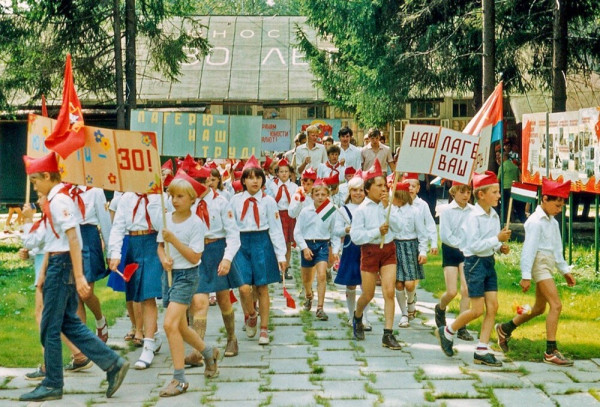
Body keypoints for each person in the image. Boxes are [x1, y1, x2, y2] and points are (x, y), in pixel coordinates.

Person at [19, 152, 128, 402]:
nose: (34, 187)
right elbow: (42, 239)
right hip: (57, 264)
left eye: (35, 181)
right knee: (69, 323)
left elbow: (73, 239)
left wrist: (79, 276)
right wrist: (27, 224)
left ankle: (52, 383)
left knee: (49, 327)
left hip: (62, 266)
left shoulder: (59, 201)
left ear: (48, 176)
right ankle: (113, 363)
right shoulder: (54, 200)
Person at [495, 178, 576, 366]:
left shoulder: (553, 223)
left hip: (548, 263)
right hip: (539, 264)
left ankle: (505, 328)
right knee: (556, 305)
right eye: (557, 205)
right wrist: (526, 276)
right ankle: (550, 351)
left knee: (539, 308)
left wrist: (564, 271)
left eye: (562, 205)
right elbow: (528, 250)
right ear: (545, 199)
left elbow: (557, 250)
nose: (559, 209)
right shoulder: (535, 222)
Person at [435, 171, 511, 367]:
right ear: (481, 195)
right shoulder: (472, 217)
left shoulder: (494, 215)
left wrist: (500, 247)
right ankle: (448, 331)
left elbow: (491, 243)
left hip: (488, 263)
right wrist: (496, 239)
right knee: (477, 310)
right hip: (474, 264)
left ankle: (482, 349)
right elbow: (474, 246)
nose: (499, 195)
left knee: (493, 307)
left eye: (498, 191)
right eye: (494, 192)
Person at [157, 174, 219, 397]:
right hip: (169, 275)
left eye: (180, 196)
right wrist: (163, 258)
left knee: (169, 324)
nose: (175, 200)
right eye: (172, 196)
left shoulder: (196, 224)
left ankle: (179, 379)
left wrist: (173, 240)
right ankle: (209, 352)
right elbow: (160, 246)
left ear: (192, 198)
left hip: (187, 276)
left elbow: (194, 257)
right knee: (181, 327)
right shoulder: (166, 219)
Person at [184, 165, 242, 365]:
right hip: (196, 252)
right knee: (199, 301)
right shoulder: (188, 203)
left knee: (223, 298)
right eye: (195, 182)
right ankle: (197, 350)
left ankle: (231, 338)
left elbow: (233, 234)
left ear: (210, 180)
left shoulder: (221, 202)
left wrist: (227, 258)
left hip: (217, 250)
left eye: (203, 181)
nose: (199, 186)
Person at [230, 156, 287, 345]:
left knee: (262, 287)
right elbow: (230, 227)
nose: (255, 181)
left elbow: (276, 228)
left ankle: (263, 328)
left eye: (258, 177)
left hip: (262, 242)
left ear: (263, 180)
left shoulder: (268, 201)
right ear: (243, 181)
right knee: (244, 287)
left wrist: (281, 255)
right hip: (241, 244)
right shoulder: (235, 201)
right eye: (250, 177)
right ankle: (251, 314)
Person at [108, 188, 163, 369]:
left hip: (154, 243)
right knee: (138, 294)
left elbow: (161, 224)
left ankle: (148, 345)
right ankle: (154, 335)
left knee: (148, 295)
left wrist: (153, 200)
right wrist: (114, 254)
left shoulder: (158, 197)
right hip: (134, 244)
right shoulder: (126, 198)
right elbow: (118, 227)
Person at [349, 159, 402, 350]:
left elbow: (399, 227)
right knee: (368, 294)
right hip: (370, 250)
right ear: (367, 189)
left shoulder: (389, 205)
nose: (383, 189)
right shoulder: (361, 210)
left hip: (388, 250)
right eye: (378, 185)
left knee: (389, 291)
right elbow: (356, 237)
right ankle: (357, 315)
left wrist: (388, 207)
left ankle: (388, 333)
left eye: (384, 185)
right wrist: (376, 232)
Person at [62, 184, 112, 348]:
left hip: (88, 238)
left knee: (86, 291)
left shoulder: (94, 191)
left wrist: (110, 251)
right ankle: (82, 345)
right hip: (69, 239)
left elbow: (105, 221)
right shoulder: (63, 190)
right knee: (75, 294)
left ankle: (100, 319)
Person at [294, 179, 340, 321]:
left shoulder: (330, 211)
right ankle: (309, 295)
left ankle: (320, 308)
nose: (320, 197)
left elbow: (335, 232)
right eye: (317, 194)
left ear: (328, 195)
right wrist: (304, 248)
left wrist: (335, 250)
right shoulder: (305, 211)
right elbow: (297, 232)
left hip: (322, 245)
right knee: (307, 279)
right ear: (312, 195)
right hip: (307, 244)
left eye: (323, 194)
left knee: (321, 275)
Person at [435, 181, 474, 341]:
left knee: (466, 290)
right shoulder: (446, 211)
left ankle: (462, 327)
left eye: (468, 192)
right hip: (451, 250)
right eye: (462, 192)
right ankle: (440, 308)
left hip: (467, 251)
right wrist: (461, 245)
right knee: (452, 291)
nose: (466, 196)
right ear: (453, 192)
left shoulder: (473, 211)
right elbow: (445, 235)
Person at [389, 183, 428, 328]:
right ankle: (404, 313)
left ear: (400, 197)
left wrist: (423, 251)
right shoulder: (390, 211)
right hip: (395, 247)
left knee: (410, 284)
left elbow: (422, 233)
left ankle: (411, 301)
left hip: (410, 247)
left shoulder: (414, 211)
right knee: (398, 283)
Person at [401, 173, 438, 319]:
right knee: (400, 281)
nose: (410, 188)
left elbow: (430, 224)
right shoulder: (399, 203)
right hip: (400, 244)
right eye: (407, 185)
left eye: (413, 186)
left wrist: (433, 243)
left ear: (418, 188)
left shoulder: (422, 205)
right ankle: (406, 308)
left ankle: (411, 298)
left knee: (412, 279)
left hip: (416, 244)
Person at [334, 176, 365, 325]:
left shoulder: (368, 207)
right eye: (354, 190)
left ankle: (364, 317)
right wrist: (346, 229)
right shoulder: (343, 210)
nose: (358, 193)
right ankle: (351, 314)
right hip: (351, 248)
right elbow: (336, 230)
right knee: (351, 284)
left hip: (366, 248)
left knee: (366, 284)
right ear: (349, 191)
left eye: (361, 190)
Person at [266, 158, 298, 280]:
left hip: (289, 215)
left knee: (288, 243)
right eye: (281, 171)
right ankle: (277, 268)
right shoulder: (272, 185)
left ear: (290, 173)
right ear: (277, 173)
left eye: (286, 171)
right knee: (277, 241)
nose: (284, 174)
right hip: (276, 215)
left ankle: (286, 269)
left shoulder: (294, 187)